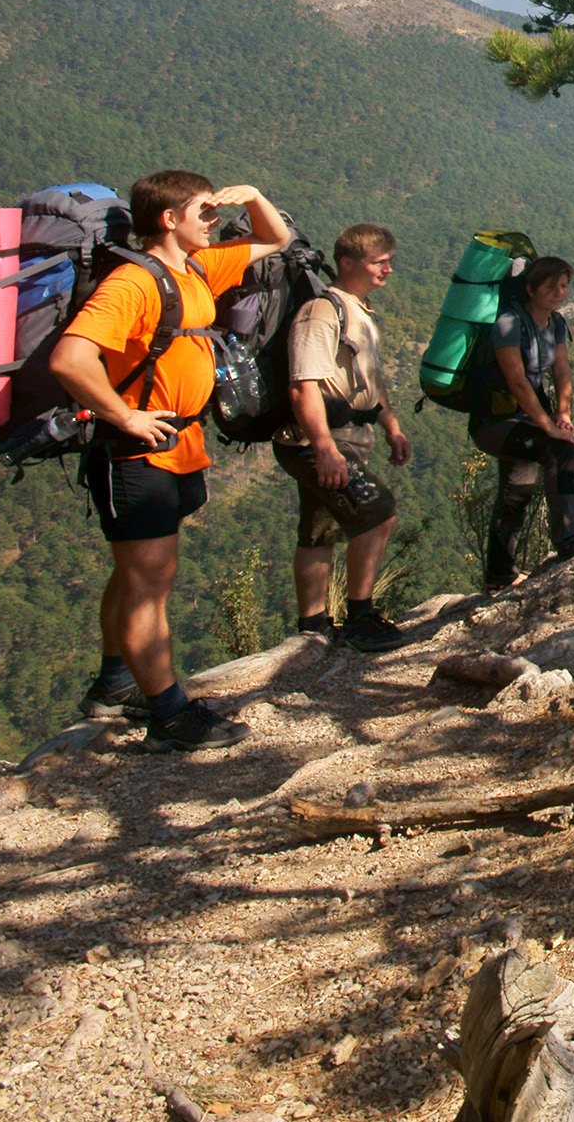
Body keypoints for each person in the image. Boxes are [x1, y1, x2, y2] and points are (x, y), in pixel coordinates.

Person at [50, 170, 293, 751]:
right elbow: (69, 360)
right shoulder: (134, 284)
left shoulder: (198, 269)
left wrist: (256, 194)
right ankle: (168, 714)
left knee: (134, 576)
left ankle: (113, 685)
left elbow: (278, 242)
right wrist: (125, 416)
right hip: (137, 454)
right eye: (205, 212)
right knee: (149, 586)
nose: (216, 221)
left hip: (177, 446)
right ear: (168, 219)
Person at [272, 223, 413, 651]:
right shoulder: (322, 312)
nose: (388, 269)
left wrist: (392, 427)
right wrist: (324, 449)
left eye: (390, 260)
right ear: (348, 263)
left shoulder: (359, 309)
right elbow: (303, 385)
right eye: (378, 262)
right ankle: (360, 618)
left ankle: (313, 625)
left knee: (320, 529)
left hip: (344, 437)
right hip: (315, 440)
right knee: (377, 512)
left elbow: (371, 379)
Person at [476, 255, 574, 588]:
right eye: (550, 286)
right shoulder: (509, 323)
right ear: (530, 288)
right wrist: (547, 426)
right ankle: (570, 537)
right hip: (495, 422)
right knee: (559, 454)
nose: (558, 292)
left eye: (563, 286)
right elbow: (517, 381)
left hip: (528, 419)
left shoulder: (556, 323)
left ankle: (499, 574)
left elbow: (561, 369)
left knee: (516, 492)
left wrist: (562, 412)